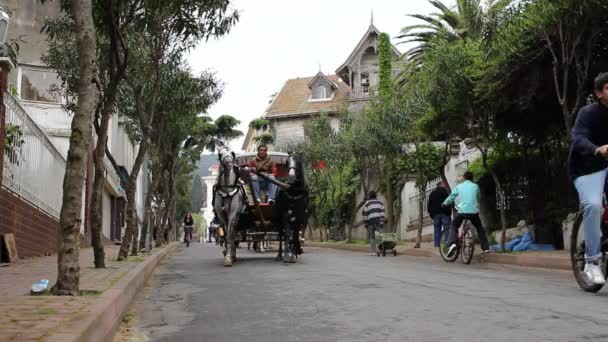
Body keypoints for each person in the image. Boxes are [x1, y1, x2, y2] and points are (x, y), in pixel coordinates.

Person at [568, 72, 608, 285]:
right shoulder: (588, 113)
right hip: (586, 169)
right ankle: (592, 261)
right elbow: (578, 138)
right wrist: (597, 149)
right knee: (593, 205)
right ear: (599, 93)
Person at [442, 172, 490, 255]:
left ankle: (452, 243)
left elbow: (452, 196)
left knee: (454, 225)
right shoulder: (475, 186)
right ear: (472, 178)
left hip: (462, 211)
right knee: (479, 228)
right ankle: (485, 248)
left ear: (464, 178)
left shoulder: (459, 186)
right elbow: (479, 197)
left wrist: (445, 203)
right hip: (473, 212)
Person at [428, 181, 452, 247]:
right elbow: (449, 201)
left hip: (435, 214)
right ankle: (447, 243)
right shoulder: (445, 192)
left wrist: (431, 213)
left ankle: (437, 244)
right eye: (443, 184)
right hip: (445, 213)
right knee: (447, 228)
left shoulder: (432, 193)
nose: (444, 185)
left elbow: (429, 205)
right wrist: (449, 211)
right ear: (441, 185)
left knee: (437, 229)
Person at [362, 191, 385, 256]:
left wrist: (365, 223)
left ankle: (373, 251)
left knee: (372, 236)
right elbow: (382, 213)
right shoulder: (381, 202)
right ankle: (380, 250)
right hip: (378, 221)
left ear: (369, 196)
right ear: (376, 196)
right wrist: (382, 221)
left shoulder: (367, 203)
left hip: (370, 222)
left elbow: (365, 214)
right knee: (379, 236)